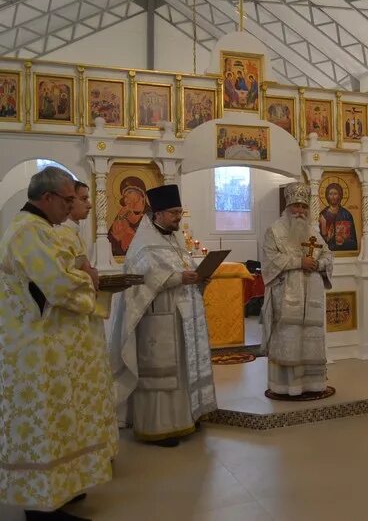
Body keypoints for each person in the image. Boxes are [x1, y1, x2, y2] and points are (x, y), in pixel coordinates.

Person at [0, 167, 112, 521]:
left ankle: (58, 494)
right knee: (46, 424)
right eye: (67, 199)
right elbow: (58, 285)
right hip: (33, 349)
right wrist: (88, 278)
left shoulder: (41, 229)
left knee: (60, 420)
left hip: (49, 346)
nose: (72, 206)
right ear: (46, 198)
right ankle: (42, 507)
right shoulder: (26, 232)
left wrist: (82, 276)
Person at [109, 184, 217, 447]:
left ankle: (185, 418)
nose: (178, 217)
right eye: (173, 213)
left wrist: (199, 276)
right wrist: (179, 277)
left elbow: (185, 270)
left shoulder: (174, 239)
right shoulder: (143, 243)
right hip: (158, 318)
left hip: (182, 316)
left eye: (179, 212)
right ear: (157, 213)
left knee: (182, 369)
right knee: (162, 374)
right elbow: (139, 278)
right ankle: (158, 426)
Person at [54, 180, 119, 454]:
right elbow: (75, 278)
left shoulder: (73, 233)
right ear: (67, 202)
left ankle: (97, 442)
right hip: (74, 322)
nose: (89, 204)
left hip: (85, 317)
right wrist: (91, 277)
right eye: (83, 198)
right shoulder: (62, 235)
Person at [261, 182, 333, 397]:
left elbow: (328, 255)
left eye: (303, 206)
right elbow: (270, 260)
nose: (300, 211)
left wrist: (319, 265)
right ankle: (286, 387)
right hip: (286, 296)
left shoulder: (314, 232)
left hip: (311, 297)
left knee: (310, 338)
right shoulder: (274, 231)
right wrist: (299, 262)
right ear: (287, 207)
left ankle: (312, 385)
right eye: (296, 206)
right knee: (289, 338)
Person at [108, 176, 150, 257]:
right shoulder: (124, 212)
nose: (126, 197)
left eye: (130, 192)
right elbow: (112, 243)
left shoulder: (151, 215)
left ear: (141, 193)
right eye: (125, 196)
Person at [319, 182, 358, 251]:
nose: (333, 197)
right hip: (326, 253)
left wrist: (343, 241)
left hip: (343, 253)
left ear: (340, 196)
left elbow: (354, 243)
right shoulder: (323, 215)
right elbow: (317, 240)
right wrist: (327, 238)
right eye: (330, 194)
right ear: (327, 196)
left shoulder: (346, 215)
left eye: (335, 194)